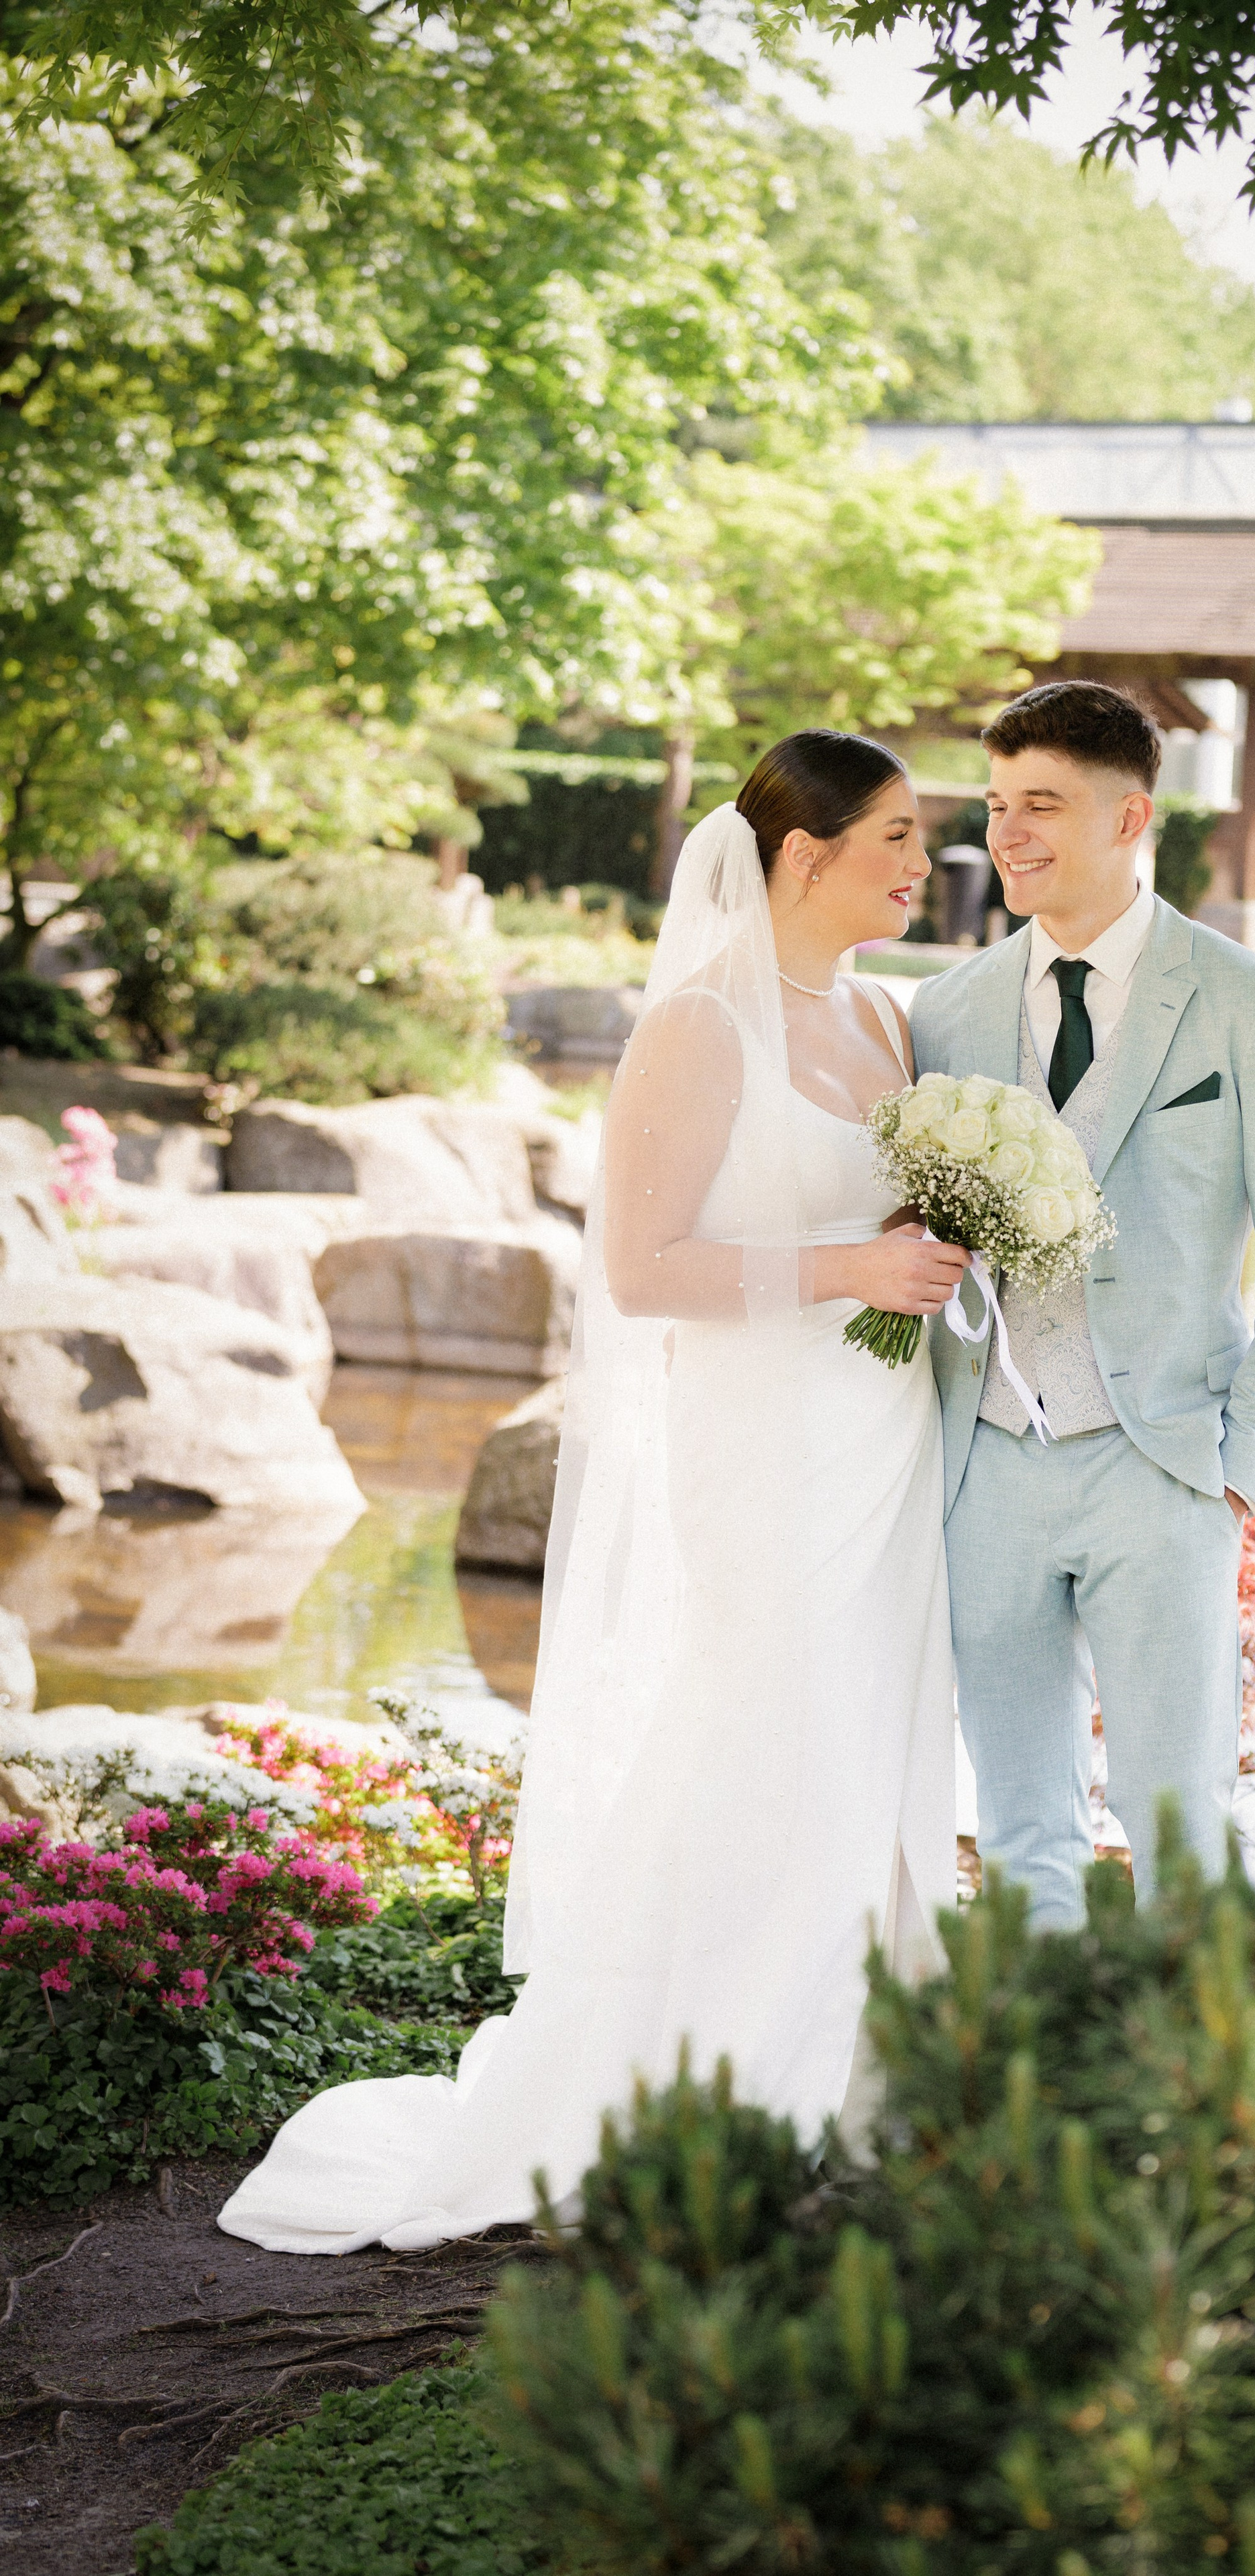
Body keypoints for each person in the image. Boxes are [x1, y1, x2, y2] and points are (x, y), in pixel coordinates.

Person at [219, 733, 965, 2254]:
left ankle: (852, 2087)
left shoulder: (887, 1020)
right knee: (779, 1739)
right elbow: (642, 1270)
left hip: (885, 1436)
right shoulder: (698, 1027)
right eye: (892, 836)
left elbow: (897, 1215)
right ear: (799, 854)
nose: (916, 864)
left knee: (875, 1750)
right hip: (761, 1450)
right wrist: (853, 1267)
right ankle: (721, 2096)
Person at [912, 680, 1255, 1925]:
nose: (1008, 834)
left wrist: (1239, 1467)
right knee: (1016, 1832)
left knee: (1181, 1833)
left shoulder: (1250, 1005)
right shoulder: (944, 1011)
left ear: (1130, 818)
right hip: (984, 1468)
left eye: (1041, 805)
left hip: (1163, 1465)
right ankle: (1038, 2092)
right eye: (998, 805)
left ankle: (1186, 2106)